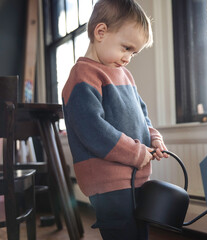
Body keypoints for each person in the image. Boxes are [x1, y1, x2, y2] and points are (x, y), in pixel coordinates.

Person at [61, 0, 168, 239]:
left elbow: (142, 115)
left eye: (134, 52)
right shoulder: (82, 76)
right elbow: (93, 131)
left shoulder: (125, 75)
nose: (128, 57)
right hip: (108, 182)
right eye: (126, 47)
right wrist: (137, 153)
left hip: (137, 176)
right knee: (122, 233)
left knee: (140, 232)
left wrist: (154, 139)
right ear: (101, 32)